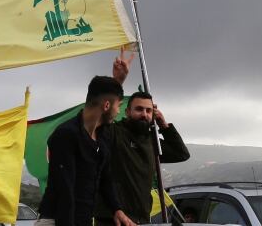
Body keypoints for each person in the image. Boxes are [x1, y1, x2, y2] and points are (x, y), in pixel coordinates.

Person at [36, 50, 136, 226]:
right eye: (118, 106)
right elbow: (65, 191)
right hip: (57, 221)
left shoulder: (102, 136)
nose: (119, 111)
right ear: (106, 105)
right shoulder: (66, 135)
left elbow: (105, 178)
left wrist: (116, 209)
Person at [94, 89, 190, 225]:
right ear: (127, 112)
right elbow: (98, 119)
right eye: (139, 109)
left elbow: (181, 154)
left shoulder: (152, 142)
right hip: (112, 218)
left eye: (148, 111)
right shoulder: (115, 133)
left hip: (142, 218)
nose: (144, 114)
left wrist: (163, 125)